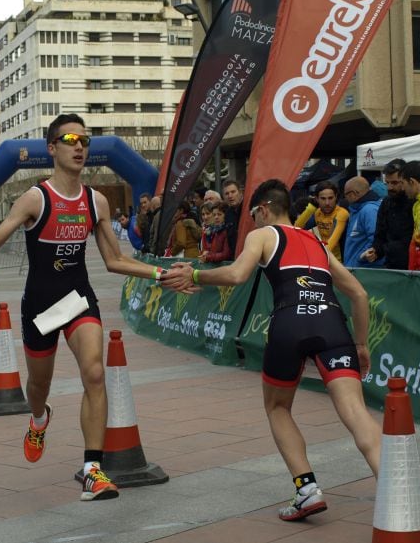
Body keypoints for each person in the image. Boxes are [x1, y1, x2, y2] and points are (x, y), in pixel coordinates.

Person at [0, 113, 175, 502]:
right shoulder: (36, 198)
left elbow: (114, 260)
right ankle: (40, 419)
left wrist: (160, 273)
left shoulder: (96, 202)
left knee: (94, 372)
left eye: (85, 140)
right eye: (71, 139)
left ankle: (92, 469)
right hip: (40, 308)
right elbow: (0, 236)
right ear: (52, 148)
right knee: (38, 388)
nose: (80, 146)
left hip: (78, 300)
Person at [161, 179, 381, 521]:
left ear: (264, 208)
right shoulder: (317, 240)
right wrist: (363, 345)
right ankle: (393, 485)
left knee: (278, 408)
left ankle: (306, 490)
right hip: (331, 324)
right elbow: (360, 295)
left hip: (289, 323)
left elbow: (236, 275)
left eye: (253, 214)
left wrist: (196, 275)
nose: (252, 221)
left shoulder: (263, 235)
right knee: (355, 411)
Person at [362, 159, 414, 269]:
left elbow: (407, 240)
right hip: (391, 265)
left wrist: (383, 249)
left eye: (394, 183)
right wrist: (375, 251)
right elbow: (380, 235)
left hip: (413, 268)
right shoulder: (386, 203)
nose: (390, 187)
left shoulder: (415, 202)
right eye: (387, 183)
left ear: (405, 180)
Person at [342, 176, 383, 268]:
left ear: (354, 194)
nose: (345, 198)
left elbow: (375, 240)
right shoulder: (358, 209)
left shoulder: (369, 210)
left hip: (363, 270)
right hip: (357, 269)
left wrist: (359, 259)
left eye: (346, 194)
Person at [308, 181, 349, 262]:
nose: (327, 203)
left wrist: (318, 258)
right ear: (316, 199)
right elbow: (297, 227)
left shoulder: (341, 213)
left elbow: (332, 242)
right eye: (323, 198)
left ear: (336, 197)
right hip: (323, 258)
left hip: (339, 261)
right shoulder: (317, 213)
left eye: (330, 198)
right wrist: (310, 209)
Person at [222, 179, 244, 257]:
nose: (230, 196)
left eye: (233, 192)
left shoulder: (248, 209)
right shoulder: (227, 214)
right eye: (227, 193)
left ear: (240, 192)